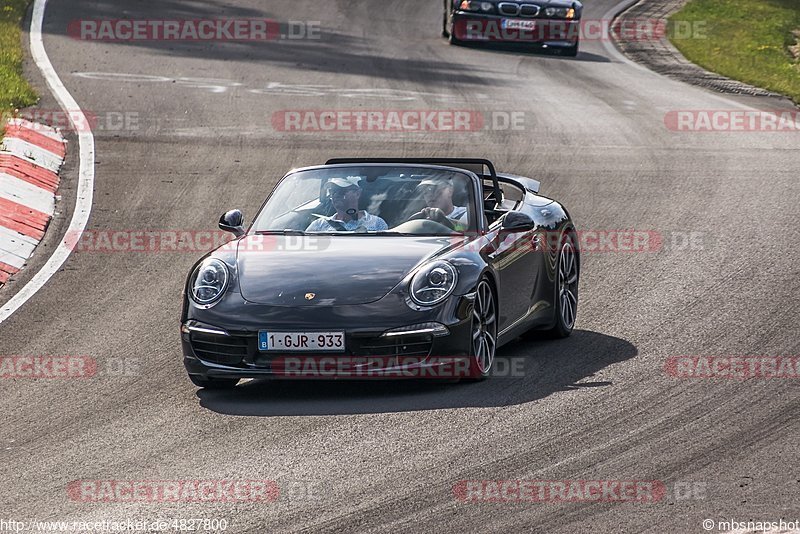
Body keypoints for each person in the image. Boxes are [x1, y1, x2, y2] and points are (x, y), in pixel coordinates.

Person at [306, 176, 388, 232]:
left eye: (341, 191)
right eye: (332, 191)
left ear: (357, 193)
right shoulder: (318, 226)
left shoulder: (377, 224)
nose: (335, 195)